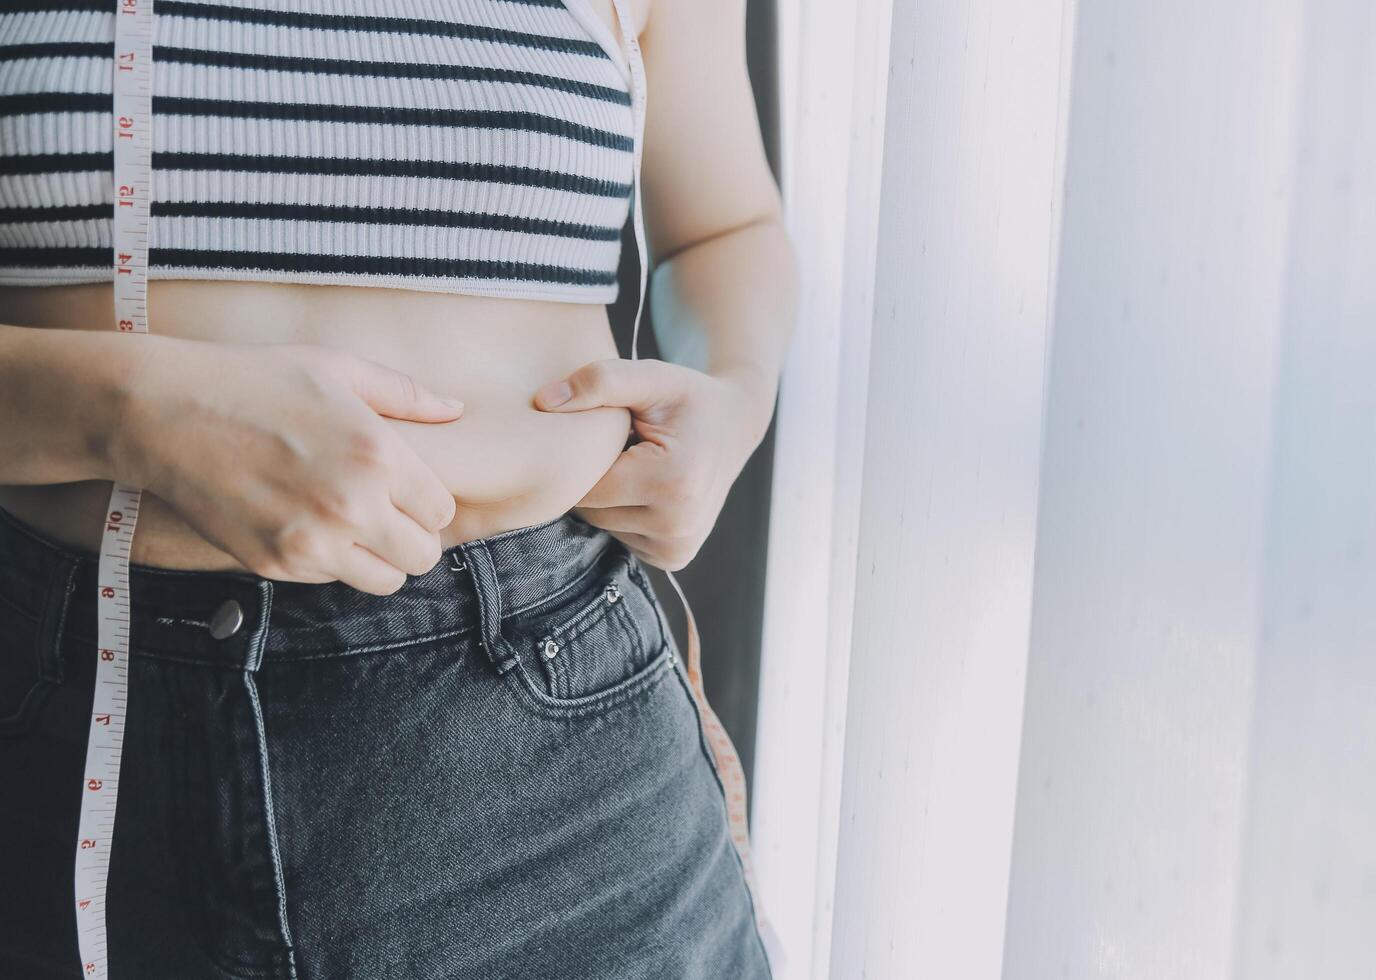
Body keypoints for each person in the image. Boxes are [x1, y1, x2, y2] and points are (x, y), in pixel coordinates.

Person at [0, 0, 796, 977]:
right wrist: (129, 412)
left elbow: (726, 227)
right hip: (53, 719)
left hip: (548, 733)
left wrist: (733, 396)